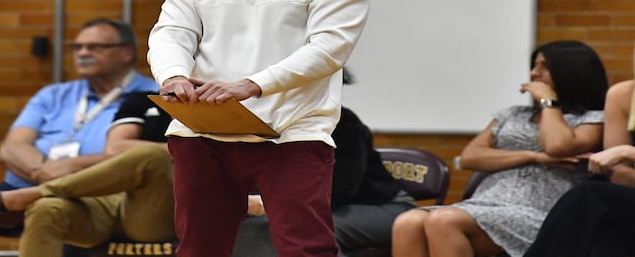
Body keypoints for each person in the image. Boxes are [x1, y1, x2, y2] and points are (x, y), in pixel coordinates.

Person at [147, 0, 371, 257]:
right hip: (203, 131)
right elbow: (171, 32)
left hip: (293, 131)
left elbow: (327, 49)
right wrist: (173, 75)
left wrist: (251, 85)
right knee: (198, 248)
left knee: (306, 249)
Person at [0, 18, 159, 257]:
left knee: (64, 230)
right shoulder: (54, 95)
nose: (82, 53)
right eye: (77, 47)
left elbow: (145, 159)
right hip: (23, 189)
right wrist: (42, 171)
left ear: (126, 53)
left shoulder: (153, 98)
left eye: (94, 47)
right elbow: (12, 147)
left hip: (96, 197)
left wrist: (74, 167)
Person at [391, 40, 609, 257]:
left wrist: (549, 102)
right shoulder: (512, 114)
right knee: (407, 222)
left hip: (541, 210)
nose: (534, 73)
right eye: (533, 65)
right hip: (486, 200)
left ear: (570, 71)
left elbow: (557, 146)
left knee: (444, 220)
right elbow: (470, 157)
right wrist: (532, 156)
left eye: (544, 67)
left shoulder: (593, 118)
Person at [0, 91, 175, 257]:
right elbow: (115, 148)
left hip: (163, 209)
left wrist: (167, 151)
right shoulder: (144, 100)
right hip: (110, 200)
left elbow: (196, 154)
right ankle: (36, 196)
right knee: (46, 209)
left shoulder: (209, 107)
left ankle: (25, 196)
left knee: (152, 158)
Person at [231, 106, 416, 257]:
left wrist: (268, 204)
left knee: (305, 227)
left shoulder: (342, 121)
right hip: (310, 206)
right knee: (246, 227)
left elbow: (340, 190)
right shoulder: (267, 124)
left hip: (383, 205)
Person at [521, 69, 635, 256]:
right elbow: (619, 173)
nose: (534, 72)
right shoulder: (625, 94)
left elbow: (557, 146)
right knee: (604, 233)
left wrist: (629, 152)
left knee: (591, 194)